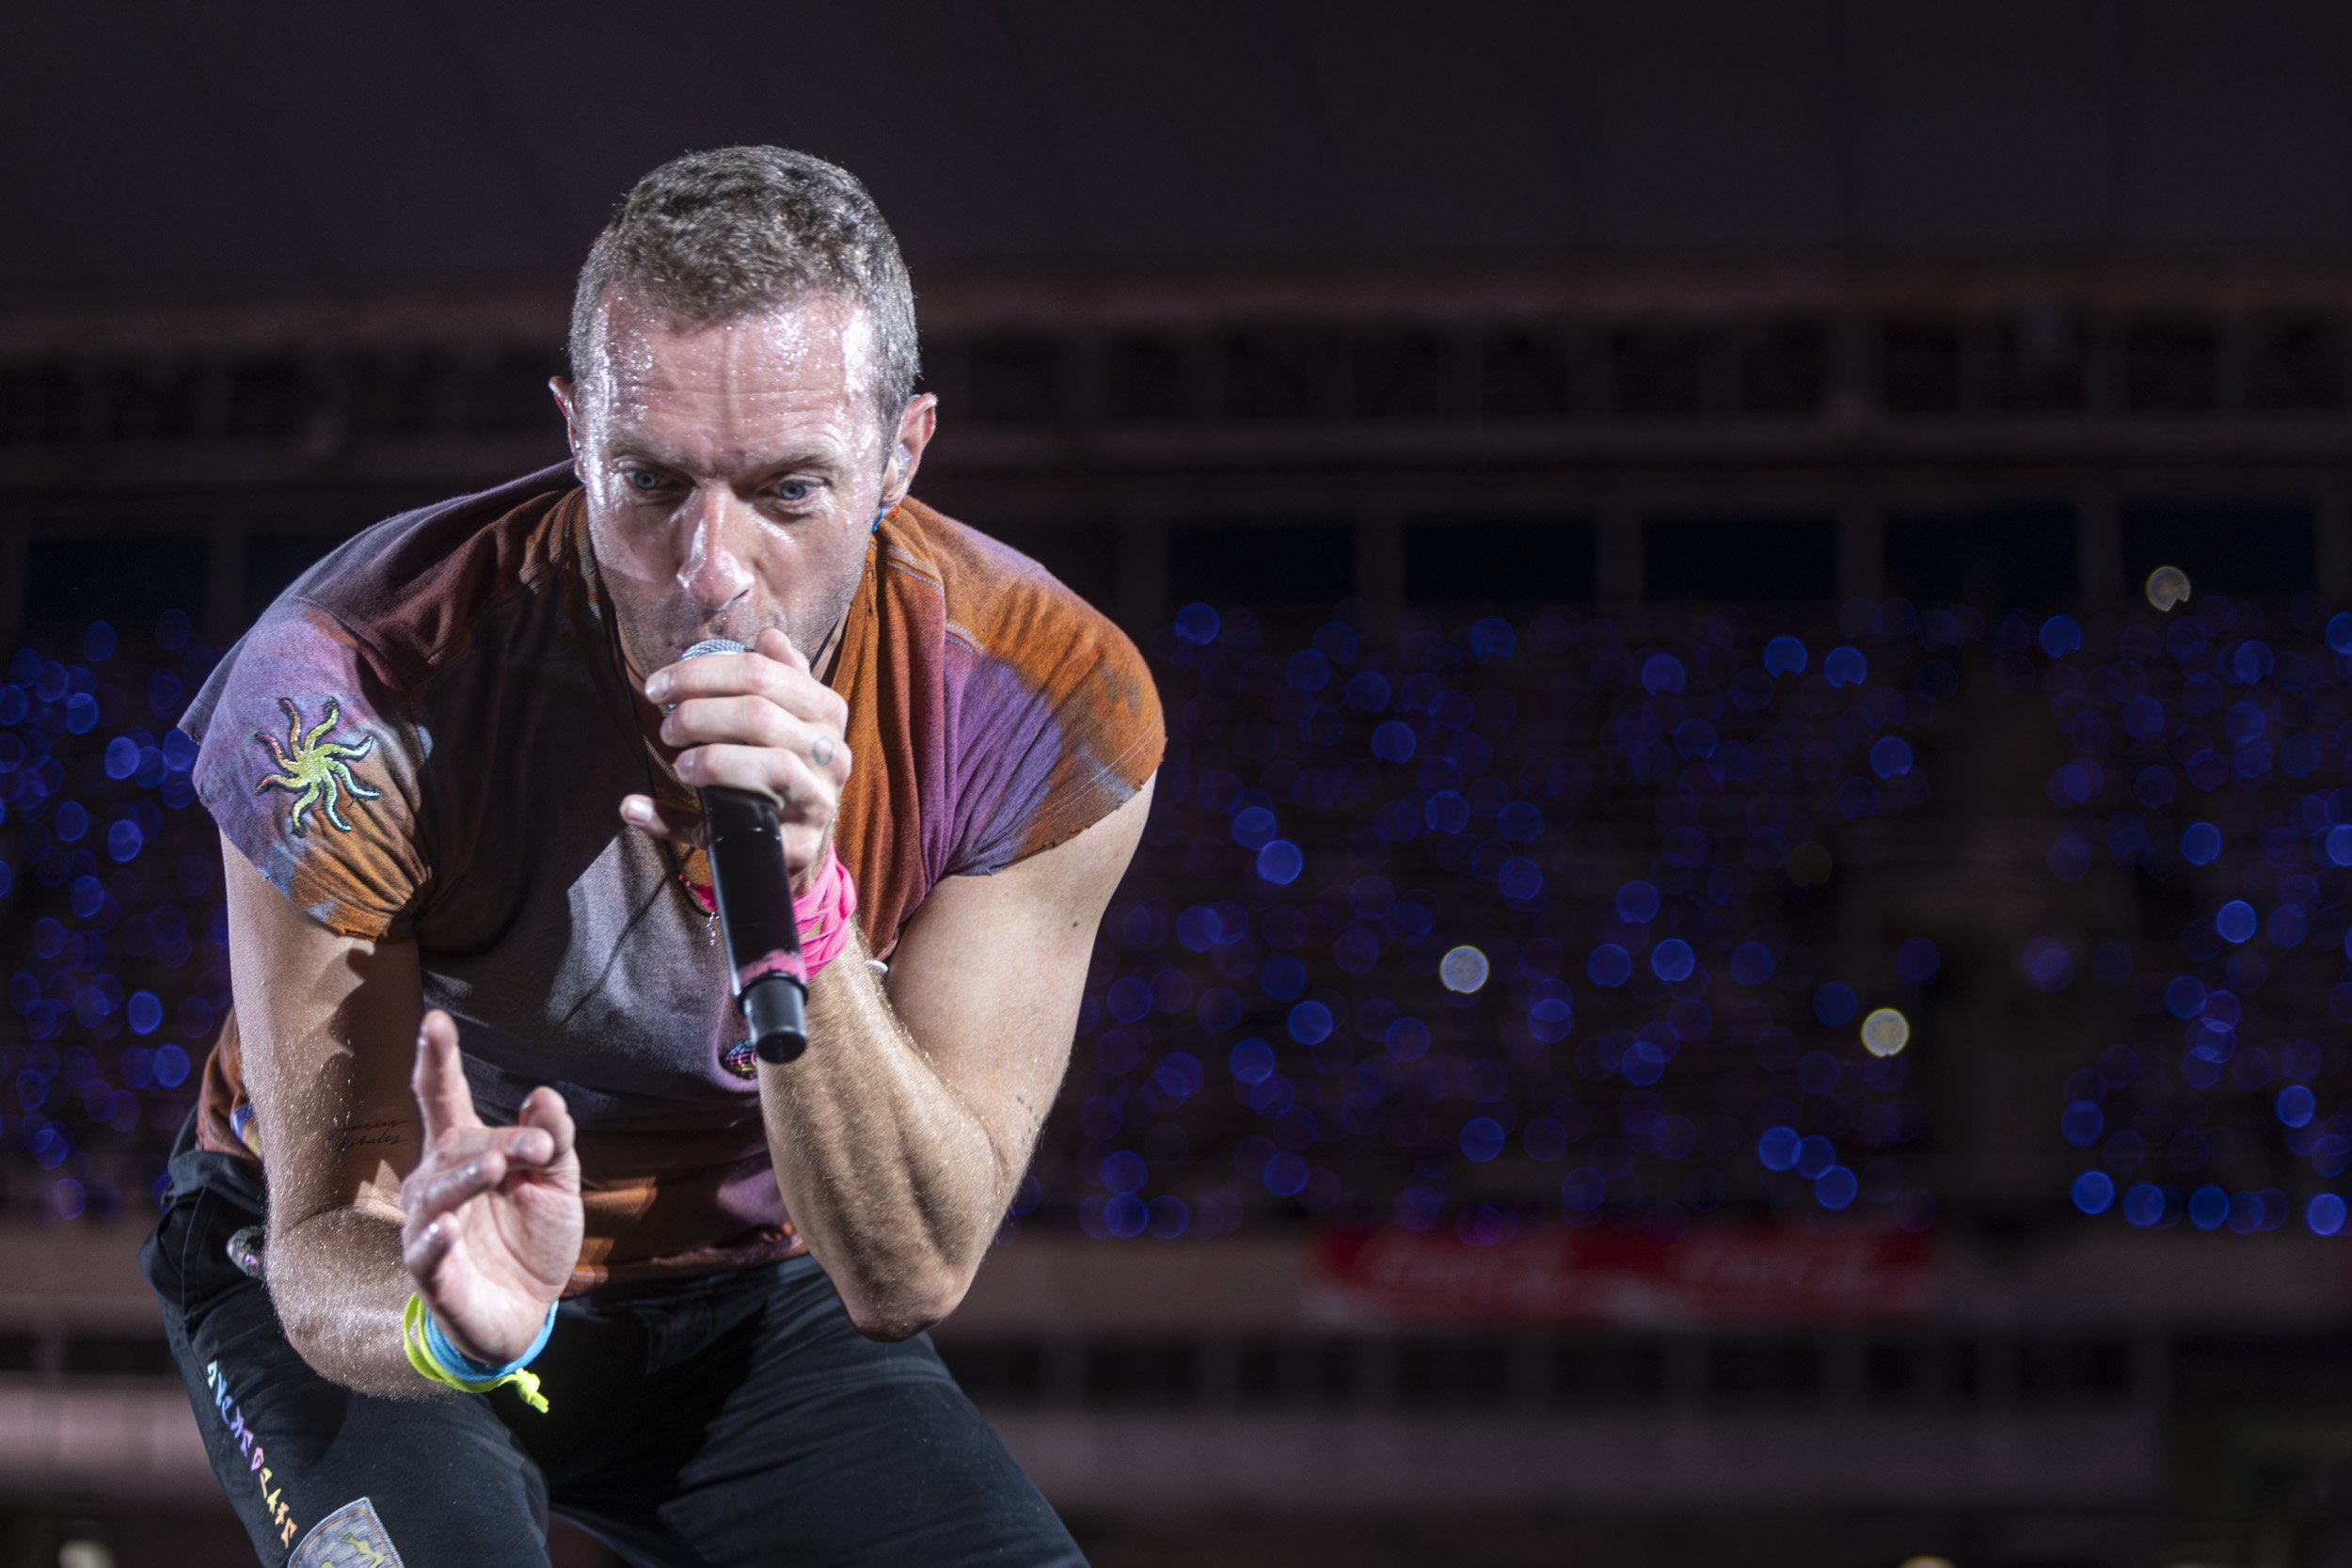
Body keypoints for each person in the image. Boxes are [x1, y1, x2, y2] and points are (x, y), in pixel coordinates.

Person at [137, 146, 1163, 1567]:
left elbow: (907, 1266)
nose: (713, 573)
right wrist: (449, 1319)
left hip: (750, 1294)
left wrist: (807, 903)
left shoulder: (1045, 704)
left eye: (792, 491)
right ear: (574, 433)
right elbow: (323, 1245)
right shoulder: (344, 693)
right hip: (399, 1278)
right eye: (651, 481)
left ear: (902, 455)